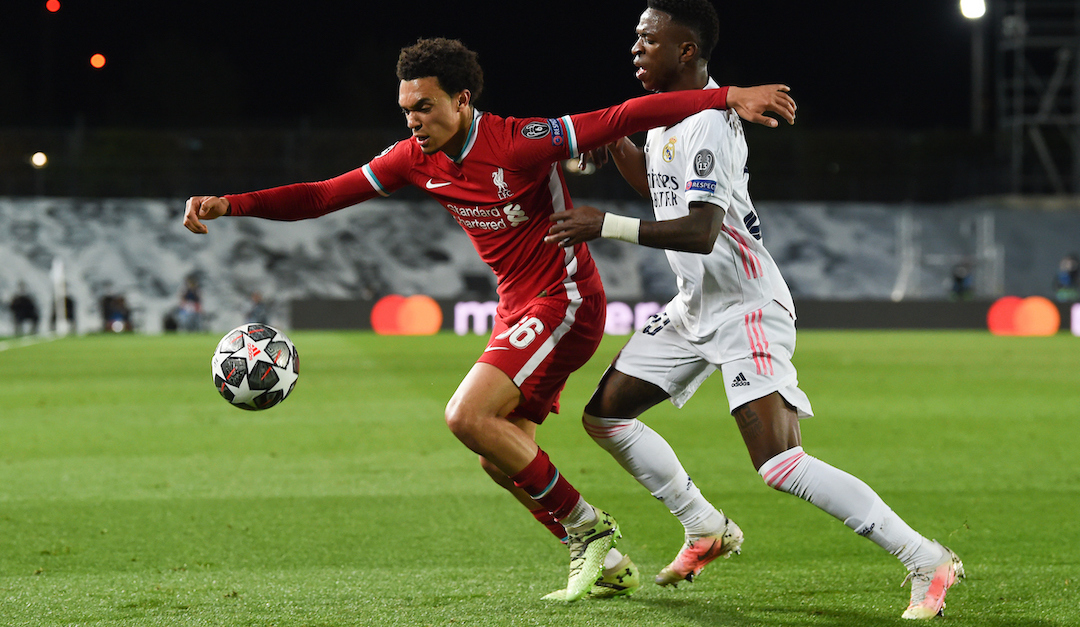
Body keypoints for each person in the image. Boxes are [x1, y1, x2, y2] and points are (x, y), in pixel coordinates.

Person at [182, 36, 796, 601]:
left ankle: (590, 530)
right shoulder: (413, 158)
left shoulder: (518, 140)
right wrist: (231, 203)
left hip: (565, 298)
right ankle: (609, 567)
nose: (412, 121)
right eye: (406, 110)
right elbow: (321, 195)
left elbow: (620, 118)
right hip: (517, 308)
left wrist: (727, 97)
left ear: (462, 99)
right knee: (498, 454)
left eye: (423, 107)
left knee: (466, 416)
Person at [544, 0, 963, 619]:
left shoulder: (710, 122)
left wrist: (605, 224)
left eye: (648, 39)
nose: (636, 48)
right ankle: (705, 527)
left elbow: (701, 230)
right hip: (694, 305)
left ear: (686, 50)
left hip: (745, 305)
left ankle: (925, 557)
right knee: (605, 418)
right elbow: (664, 192)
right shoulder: (664, 118)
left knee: (779, 463)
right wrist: (623, 152)